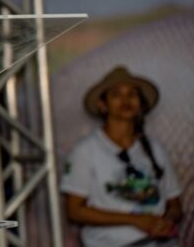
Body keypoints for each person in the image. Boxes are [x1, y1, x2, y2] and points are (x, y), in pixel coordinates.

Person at [60, 66, 183, 247]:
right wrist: (135, 220)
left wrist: (165, 222)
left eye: (132, 94)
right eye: (116, 95)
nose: (126, 100)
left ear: (140, 104)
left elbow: (175, 204)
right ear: (102, 105)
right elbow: (75, 211)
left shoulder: (154, 148)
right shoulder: (86, 150)